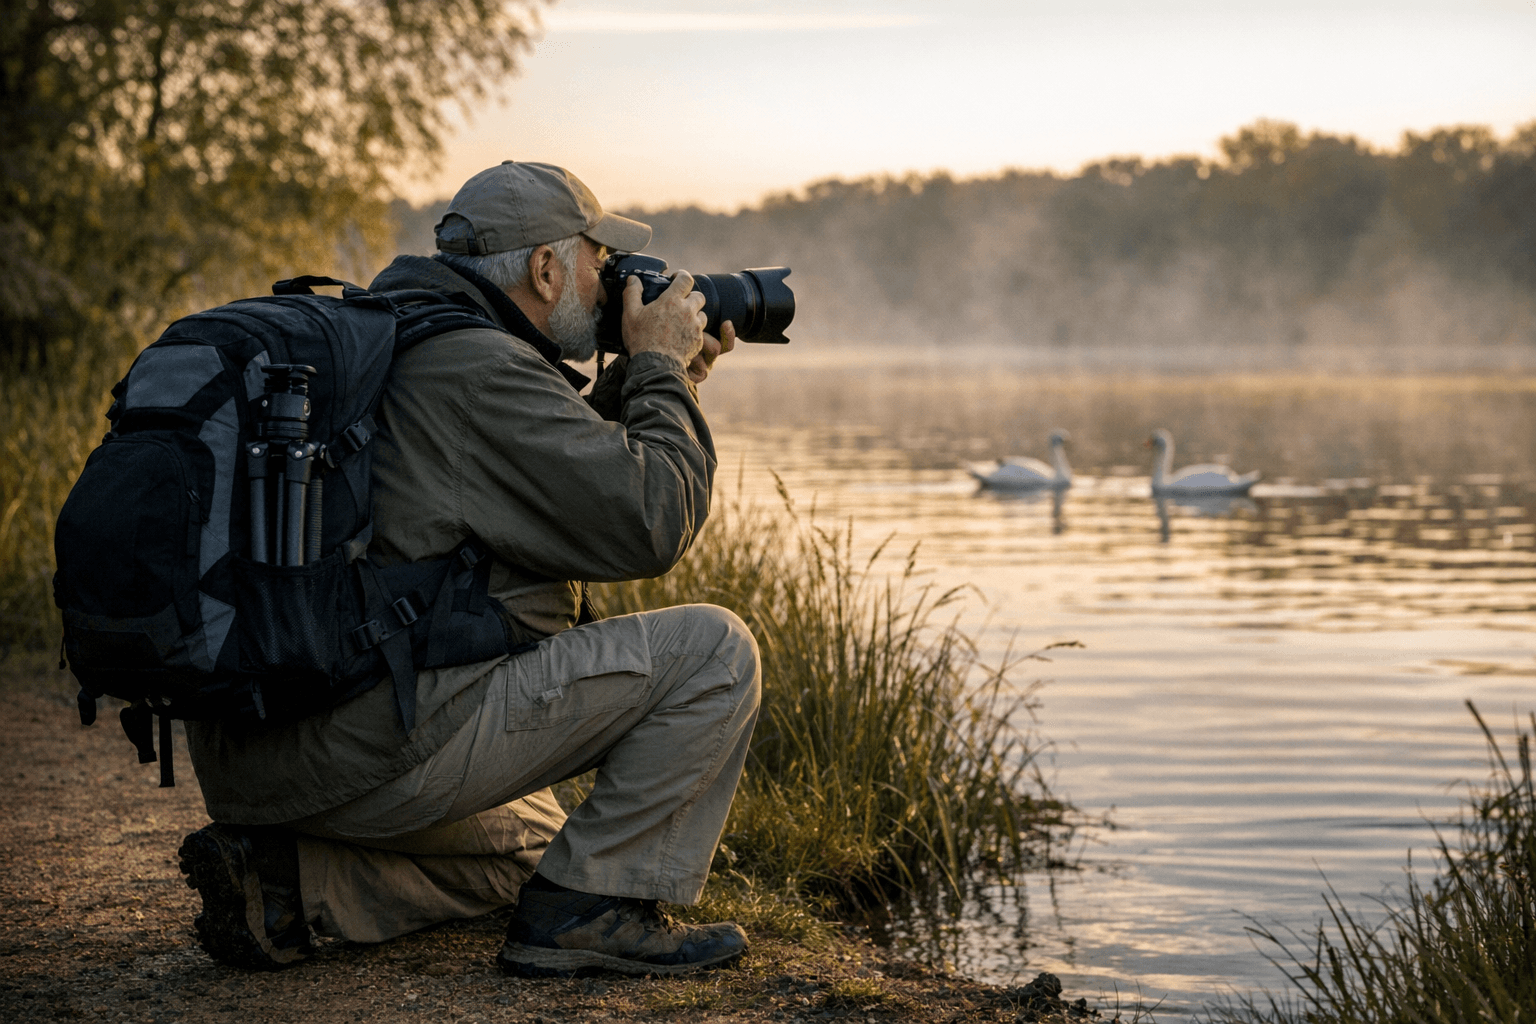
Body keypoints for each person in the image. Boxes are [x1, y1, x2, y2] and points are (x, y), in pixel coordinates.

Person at [176, 161, 763, 978]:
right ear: (546, 269)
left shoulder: (407, 336)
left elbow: (536, 486)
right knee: (716, 652)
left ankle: (286, 887)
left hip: (264, 751)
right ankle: (589, 918)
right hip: (356, 742)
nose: (610, 286)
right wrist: (660, 371)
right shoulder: (483, 368)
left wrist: (649, 377)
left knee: (535, 851)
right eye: (598, 262)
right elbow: (648, 521)